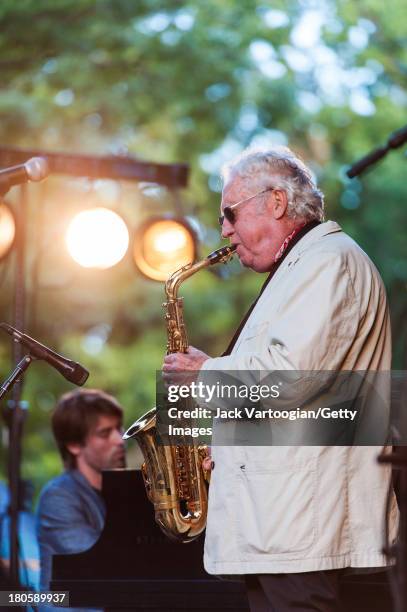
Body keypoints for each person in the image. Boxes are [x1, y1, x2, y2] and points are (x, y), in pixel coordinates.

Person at [163, 146, 399, 611]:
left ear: (275, 202)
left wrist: (204, 372)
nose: (225, 230)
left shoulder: (327, 260)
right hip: (283, 521)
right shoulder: (306, 265)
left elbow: (293, 377)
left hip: (298, 522)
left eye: (230, 213)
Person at [36, 388, 125, 595]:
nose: (120, 440)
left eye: (119, 429)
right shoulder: (58, 496)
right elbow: (101, 567)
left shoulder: (124, 490)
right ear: (74, 445)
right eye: (105, 433)